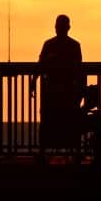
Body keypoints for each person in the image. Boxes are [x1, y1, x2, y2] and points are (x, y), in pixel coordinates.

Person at [30, 14, 83, 156]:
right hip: (64, 93)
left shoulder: (51, 44)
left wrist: (33, 82)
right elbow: (79, 71)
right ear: (68, 28)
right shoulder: (73, 46)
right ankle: (74, 151)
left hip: (55, 93)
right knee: (66, 122)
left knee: (49, 122)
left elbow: (39, 65)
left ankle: (44, 152)